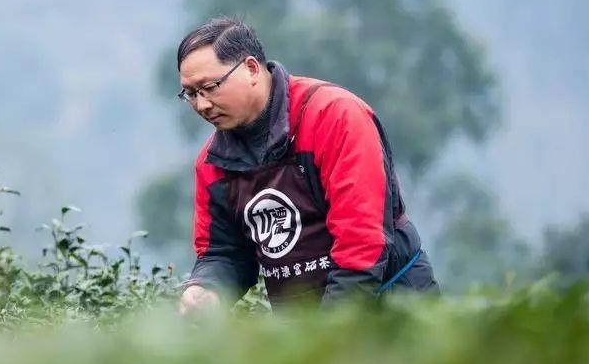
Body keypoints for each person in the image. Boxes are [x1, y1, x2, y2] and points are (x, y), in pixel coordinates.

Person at [174, 17, 438, 315]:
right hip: (299, 322)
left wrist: (327, 334)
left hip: (394, 308)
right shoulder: (212, 162)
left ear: (250, 68)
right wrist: (206, 288)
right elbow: (223, 252)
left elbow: (361, 241)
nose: (202, 105)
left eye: (210, 87)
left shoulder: (334, 117)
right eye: (191, 94)